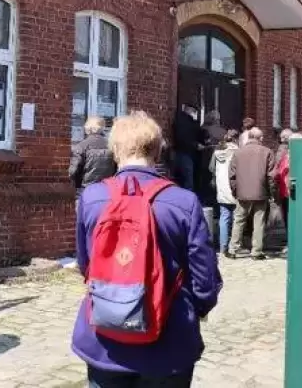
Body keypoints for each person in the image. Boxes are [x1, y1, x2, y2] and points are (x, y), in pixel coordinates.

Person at [72, 111, 222, 387]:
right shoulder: (184, 201)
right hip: (169, 337)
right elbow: (205, 277)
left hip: (104, 338)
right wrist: (195, 309)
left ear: (115, 150)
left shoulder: (91, 197)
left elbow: (85, 264)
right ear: (157, 150)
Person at [229, 127, 275, 260]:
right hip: (261, 192)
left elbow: (232, 175)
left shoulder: (238, 153)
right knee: (259, 222)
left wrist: (235, 191)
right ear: (260, 138)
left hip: (242, 193)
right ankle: (256, 251)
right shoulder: (267, 152)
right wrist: (272, 192)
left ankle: (233, 249)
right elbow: (271, 176)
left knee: (239, 220)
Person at [69, 116, 117, 196]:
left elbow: (73, 171)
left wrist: (77, 183)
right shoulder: (112, 147)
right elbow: (116, 169)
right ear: (102, 128)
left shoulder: (81, 146)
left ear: (87, 128)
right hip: (107, 190)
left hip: (86, 189)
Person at [210, 129, 239, 257]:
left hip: (222, 187)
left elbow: (211, 168)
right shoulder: (237, 151)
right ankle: (234, 246)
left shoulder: (217, 152)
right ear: (236, 139)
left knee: (224, 217)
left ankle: (223, 247)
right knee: (237, 218)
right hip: (235, 187)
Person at [172, 105, 205, 192]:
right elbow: (185, 138)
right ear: (190, 110)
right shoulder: (186, 122)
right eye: (194, 111)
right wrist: (196, 145)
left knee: (180, 179)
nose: (195, 114)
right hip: (187, 154)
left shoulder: (179, 120)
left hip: (179, 153)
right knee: (188, 181)